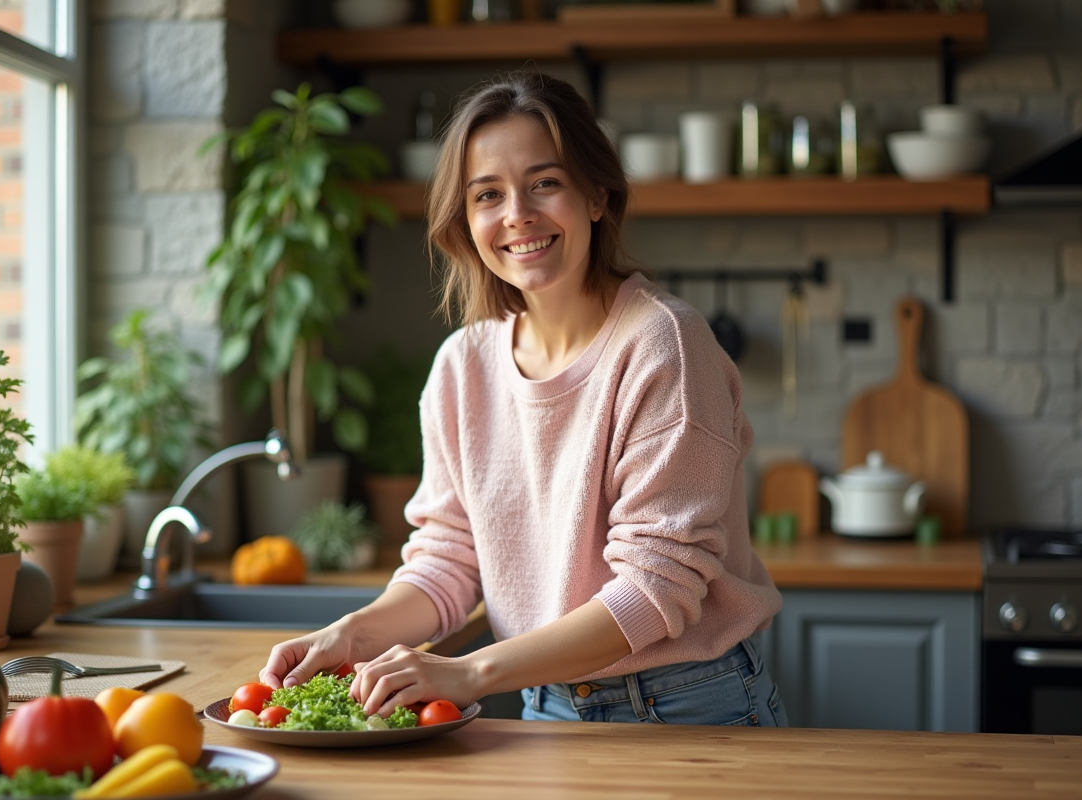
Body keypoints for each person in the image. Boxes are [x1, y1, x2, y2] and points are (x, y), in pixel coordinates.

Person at [260, 71, 787, 726]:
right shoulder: (463, 367)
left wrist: (468, 670)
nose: (518, 215)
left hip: (687, 703)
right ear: (467, 220)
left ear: (597, 195)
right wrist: (356, 633)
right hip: (548, 702)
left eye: (545, 183)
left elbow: (657, 590)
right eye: (488, 194)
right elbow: (447, 562)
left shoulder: (664, 346)